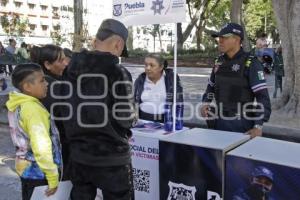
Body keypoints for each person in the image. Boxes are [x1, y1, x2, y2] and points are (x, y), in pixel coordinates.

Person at [60, 18, 136, 200]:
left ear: (95, 41)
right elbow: (126, 117)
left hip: (79, 155)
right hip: (111, 158)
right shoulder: (118, 72)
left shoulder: (69, 69)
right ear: (118, 44)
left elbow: (62, 111)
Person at [200, 23, 271, 138]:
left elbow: (262, 97)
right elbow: (211, 87)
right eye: (219, 37)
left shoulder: (251, 63)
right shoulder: (219, 62)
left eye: (225, 37)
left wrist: (258, 126)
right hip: (218, 122)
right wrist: (205, 103)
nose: (220, 41)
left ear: (237, 39)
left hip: (241, 124)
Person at [6, 63, 62, 200]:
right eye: (42, 80)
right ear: (27, 87)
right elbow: (41, 146)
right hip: (39, 173)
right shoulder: (33, 110)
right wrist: (53, 177)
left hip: (26, 169)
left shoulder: (19, 103)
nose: (47, 83)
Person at [30, 44, 69, 180]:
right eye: (61, 60)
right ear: (47, 64)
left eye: (65, 59)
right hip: (56, 150)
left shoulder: (34, 81)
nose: (65, 63)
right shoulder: (53, 86)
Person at [134, 53, 183, 122]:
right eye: (146, 65)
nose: (148, 68)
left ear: (161, 67)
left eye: (152, 65)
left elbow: (179, 101)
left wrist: (177, 121)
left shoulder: (171, 79)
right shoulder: (140, 79)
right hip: (143, 120)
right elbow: (132, 100)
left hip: (166, 120)